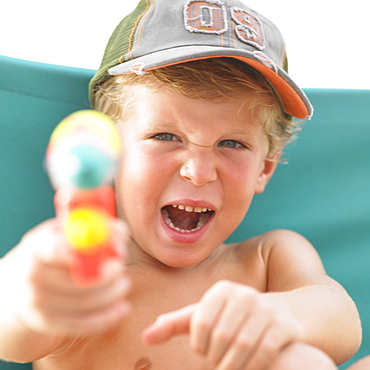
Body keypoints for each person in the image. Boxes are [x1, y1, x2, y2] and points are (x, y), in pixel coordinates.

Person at [0, 0, 362, 369]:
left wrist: (280, 314)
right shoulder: (86, 263)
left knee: (299, 359)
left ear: (264, 169)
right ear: (109, 150)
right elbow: (9, 332)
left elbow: (341, 321)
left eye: (232, 144)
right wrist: (26, 296)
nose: (199, 171)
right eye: (165, 136)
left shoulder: (268, 259)